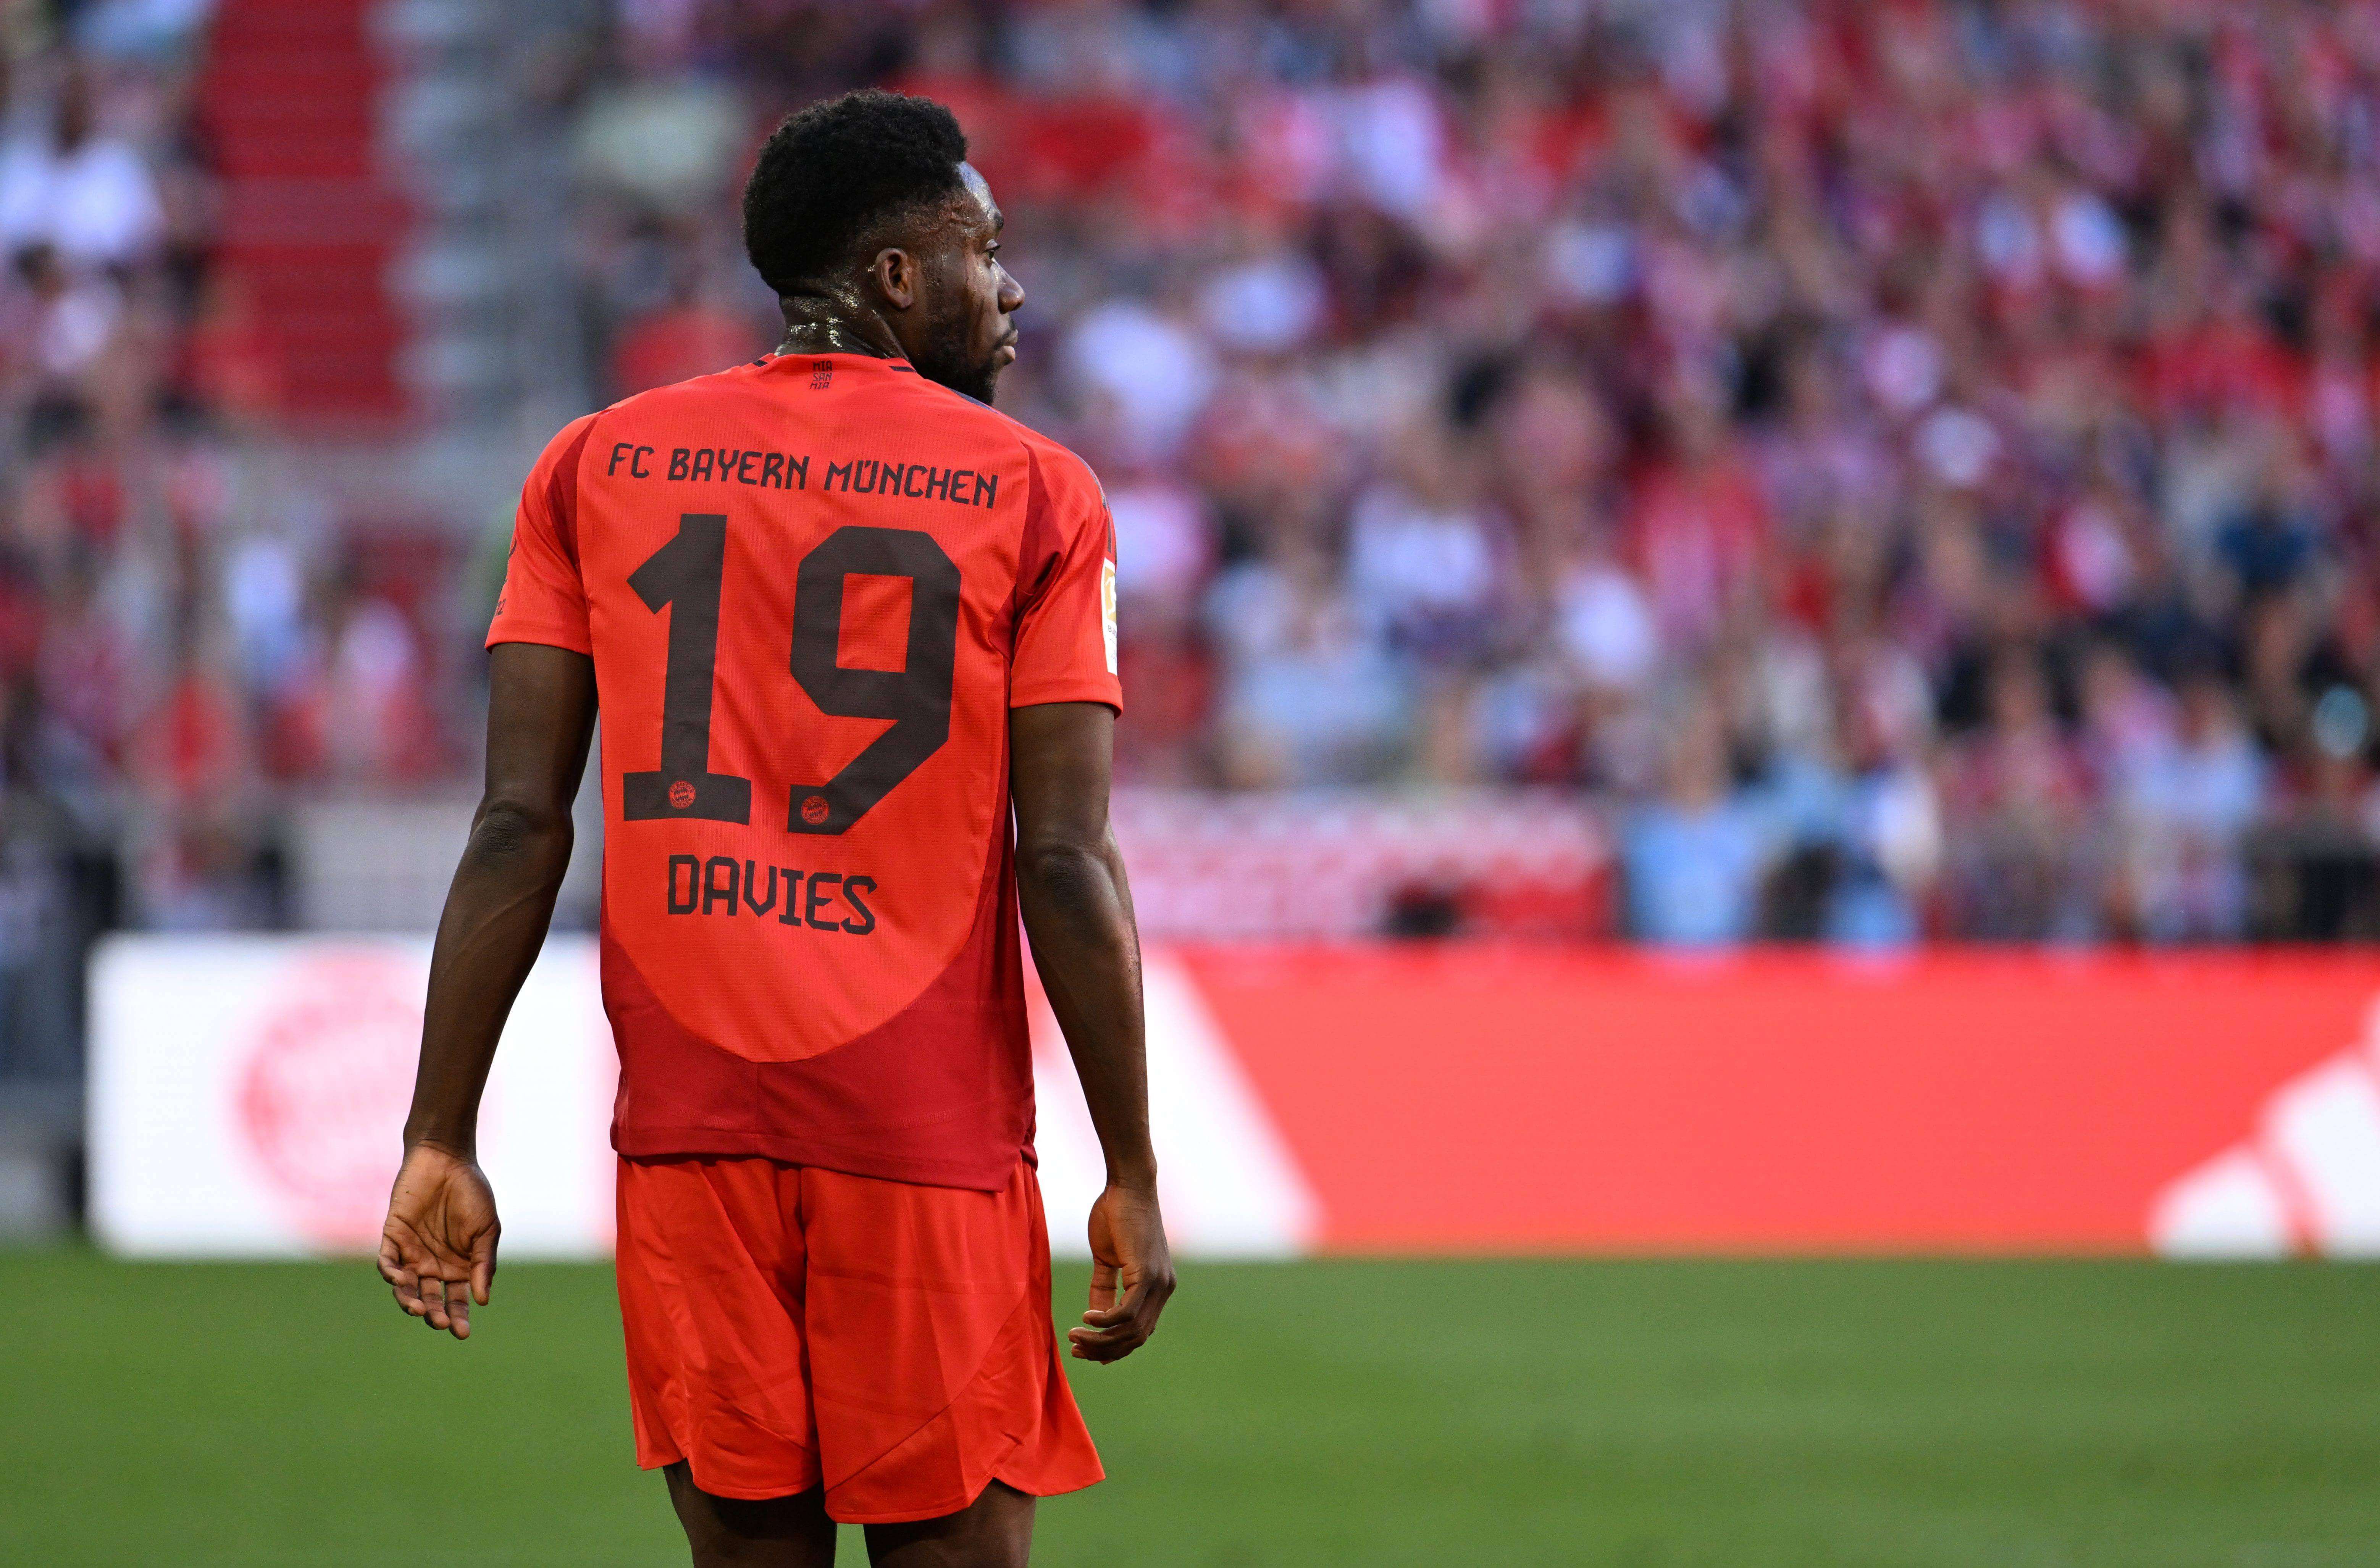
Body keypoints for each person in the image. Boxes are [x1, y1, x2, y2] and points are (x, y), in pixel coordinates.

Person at [374, 90, 1172, 1567]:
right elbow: (1063, 858)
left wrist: (440, 1131)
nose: (1010, 287)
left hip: (694, 1127)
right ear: (894, 276)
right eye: (984, 249)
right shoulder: (1039, 494)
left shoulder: (591, 464)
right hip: (921, 1130)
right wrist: (1129, 1165)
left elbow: (517, 824)